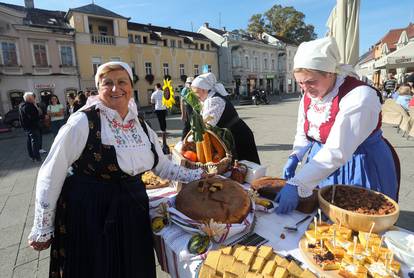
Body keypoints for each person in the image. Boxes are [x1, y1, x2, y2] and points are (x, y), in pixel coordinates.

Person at [27, 61, 209, 278]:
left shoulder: (140, 124)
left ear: (130, 86)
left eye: (122, 81)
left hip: (132, 208)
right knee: (97, 268)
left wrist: (199, 174)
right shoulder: (83, 121)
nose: (116, 88)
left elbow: (162, 166)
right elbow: (51, 173)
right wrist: (43, 226)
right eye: (108, 83)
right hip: (91, 211)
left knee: (132, 267)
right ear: (98, 88)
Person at [277, 37, 398, 214]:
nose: (305, 89)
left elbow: (338, 149)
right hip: (321, 162)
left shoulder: (360, 96)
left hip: (361, 163)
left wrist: (299, 183)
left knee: (360, 217)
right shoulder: (309, 95)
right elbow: (303, 131)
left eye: (310, 81)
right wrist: (296, 155)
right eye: (300, 83)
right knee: (324, 218)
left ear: (330, 73)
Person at [191, 72, 261, 164]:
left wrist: (191, 138)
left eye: (196, 92)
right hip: (234, 135)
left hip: (238, 136)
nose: (195, 95)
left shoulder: (214, 101)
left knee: (246, 168)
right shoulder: (208, 99)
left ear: (205, 90)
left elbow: (206, 125)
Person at [19, 92, 42, 162]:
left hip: (29, 127)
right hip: (32, 126)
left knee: (30, 141)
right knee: (35, 142)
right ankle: (37, 157)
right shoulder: (27, 106)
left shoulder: (23, 105)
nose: (34, 99)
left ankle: (32, 156)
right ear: (29, 98)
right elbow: (34, 115)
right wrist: (39, 115)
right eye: (33, 98)